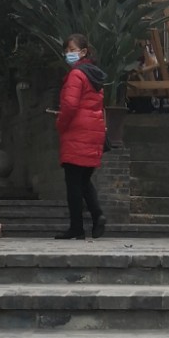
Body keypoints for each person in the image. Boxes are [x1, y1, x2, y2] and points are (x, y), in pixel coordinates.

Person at [54, 32, 107, 239]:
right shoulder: (94, 75)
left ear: (83, 52)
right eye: (66, 50)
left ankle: (77, 227)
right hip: (93, 132)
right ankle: (97, 215)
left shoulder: (76, 74)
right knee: (84, 181)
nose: (68, 54)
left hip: (77, 133)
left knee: (73, 183)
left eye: (72, 50)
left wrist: (60, 124)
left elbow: (70, 105)